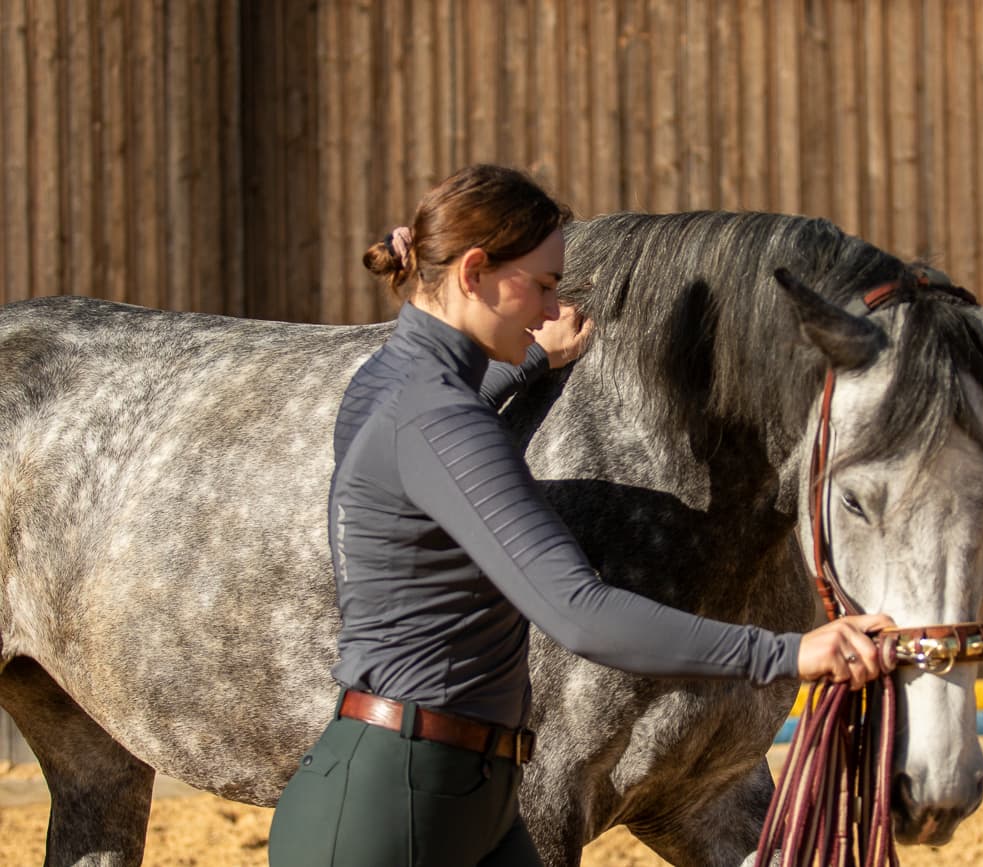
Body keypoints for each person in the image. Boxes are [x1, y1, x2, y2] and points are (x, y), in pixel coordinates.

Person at [267, 164, 895, 867]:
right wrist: (788, 652)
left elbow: (431, 436)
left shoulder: (391, 384)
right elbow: (578, 610)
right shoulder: (441, 419)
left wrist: (530, 362)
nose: (550, 306)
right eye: (541, 284)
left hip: (463, 799)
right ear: (475, 271)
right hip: (395, 814)